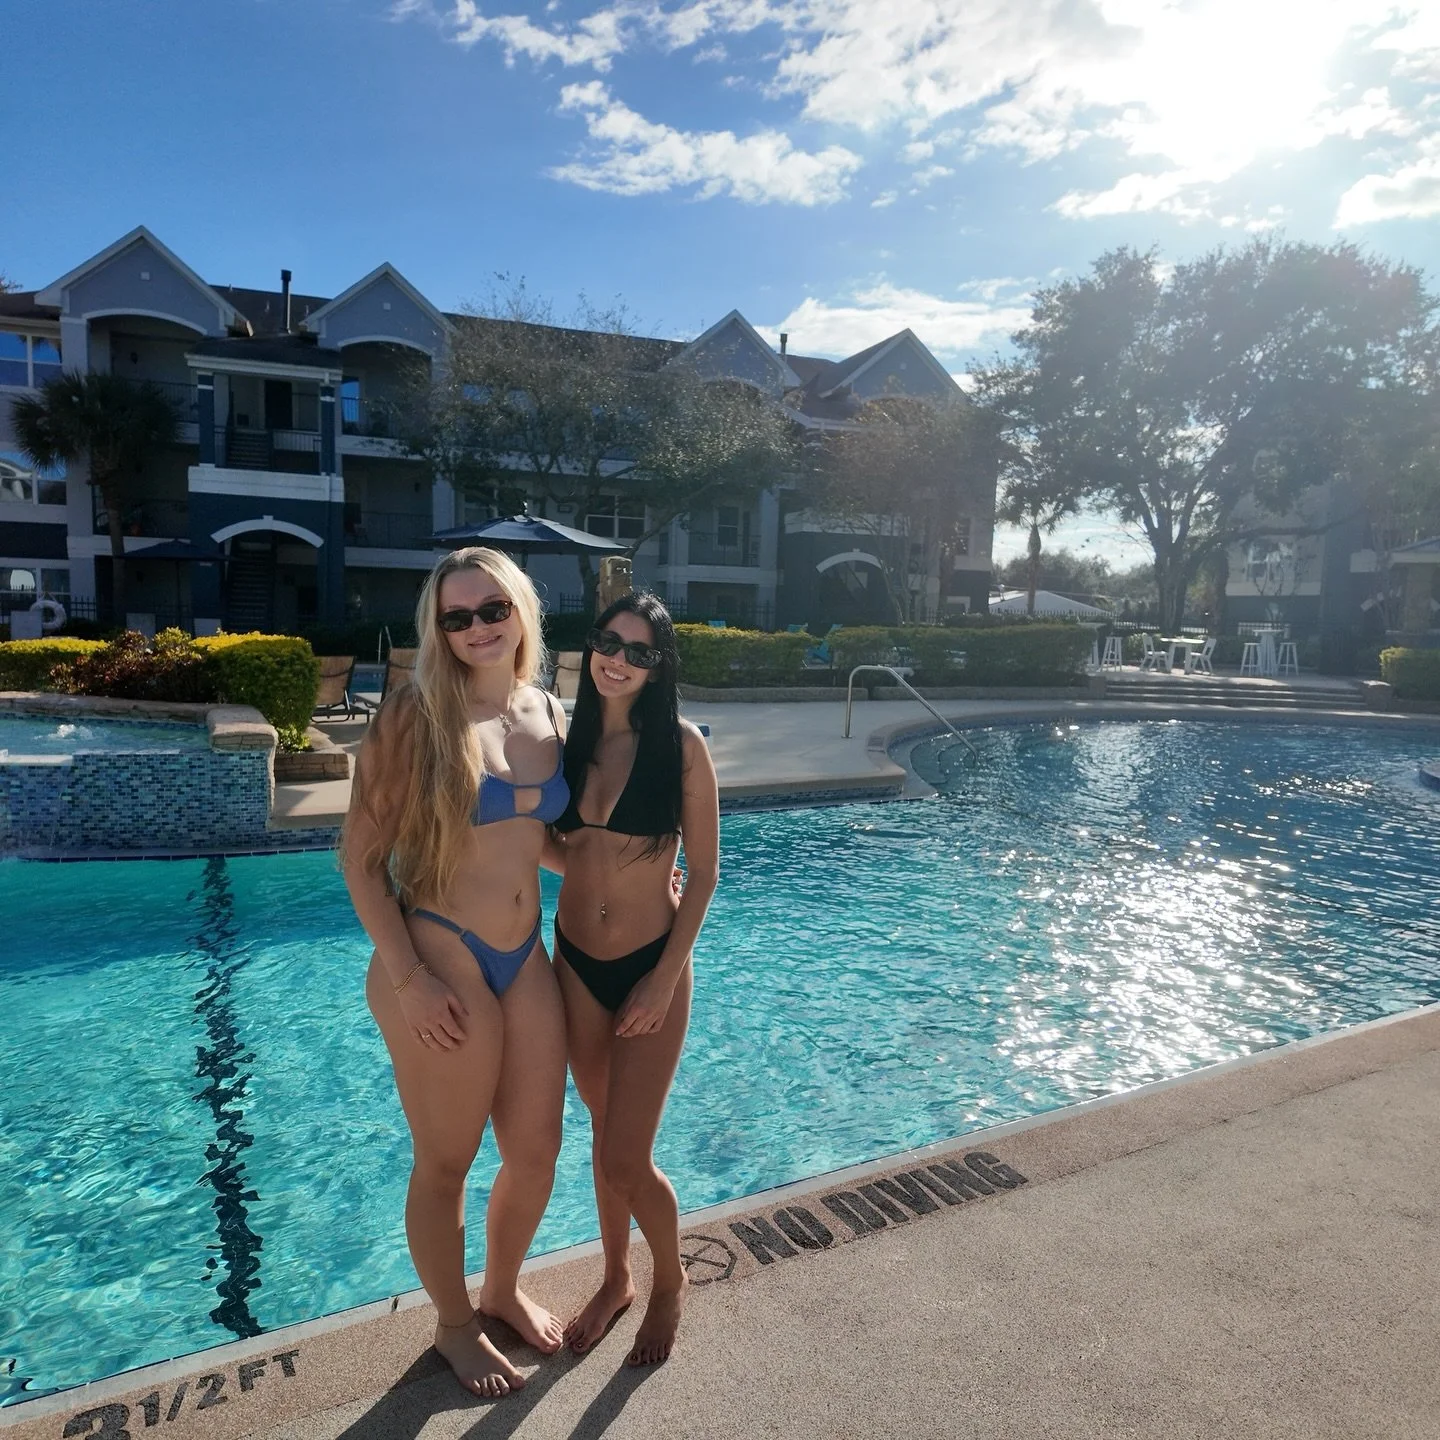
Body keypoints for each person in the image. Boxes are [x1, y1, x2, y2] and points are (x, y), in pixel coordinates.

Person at [342, 547, 570, 1399]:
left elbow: (540, 843)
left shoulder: (546, 708)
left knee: (536, 1152)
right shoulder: (414, 713)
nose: (477, 627)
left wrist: (633, 880)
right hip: (439, 955)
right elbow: (361, 863)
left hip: (525, 955)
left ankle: (501, 1289)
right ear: (438, 630)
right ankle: (452, 1324)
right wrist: (409, 979)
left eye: (492, 609)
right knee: (448, 1161)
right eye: (457, 617)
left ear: (520, 611)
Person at [545, 593, 720, 1366]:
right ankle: (616, 1276)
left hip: (652, 966)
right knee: (600, 1132)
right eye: (609, 642)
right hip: (576, 965)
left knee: (626, 1156)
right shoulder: (568, 743)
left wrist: (662, 980)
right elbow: (561, 851)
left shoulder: (680, 748)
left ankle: (669, 1281)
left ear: (658, 667)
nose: (618, 660)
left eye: (639, 652)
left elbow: (705, 874)